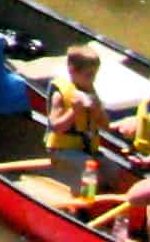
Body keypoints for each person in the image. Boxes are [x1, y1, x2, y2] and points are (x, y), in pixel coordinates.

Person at [42, 43, 109, 196]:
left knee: (113, 169)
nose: (93, 79)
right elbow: (56, 127)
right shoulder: (60, 95)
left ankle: (100, 198)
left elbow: (106, 126)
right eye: (89, 75)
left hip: (84, 148)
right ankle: (83, 203)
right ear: (72, 71)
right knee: (88, 167)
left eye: (95, 75)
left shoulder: (90, 90)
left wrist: (98, 110)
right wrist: (74, 111)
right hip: (60, 149)